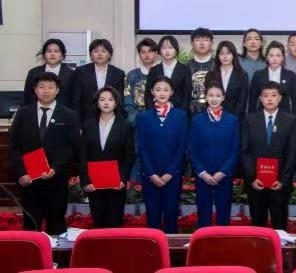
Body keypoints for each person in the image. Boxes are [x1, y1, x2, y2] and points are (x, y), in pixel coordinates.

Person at [10, 72, 80, 234]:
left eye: (50, 87)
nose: (46, 91)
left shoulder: (69, 115)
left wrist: (55, 167)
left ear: (57, 90)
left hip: (56, 181)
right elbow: (14, 147)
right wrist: (21, 173)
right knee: (30, 228)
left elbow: (73, 147)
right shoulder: (22, 114)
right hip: (29, 182)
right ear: (35, 90)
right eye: (41, 87)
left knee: (56, 227)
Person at [240, 81, 296, 230]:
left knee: (280, 226)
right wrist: (252, 177)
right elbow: (245, 150)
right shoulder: (250, 119)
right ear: (260, 99)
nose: (270, 99)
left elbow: (292, 152)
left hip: (279, 183)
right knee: (257, 225)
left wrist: (283, 179)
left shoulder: (290, 120)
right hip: (256, 183)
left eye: (274, 95)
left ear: (280, 98)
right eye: (266, 96)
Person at [137, 76, 189, 233]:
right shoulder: (143, 117)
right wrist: (152, 174)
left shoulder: (181, 116)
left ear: (171, 92)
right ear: (152, 92)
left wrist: (171, 172)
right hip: (150, 175)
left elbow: (182, 146)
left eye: (166, 90)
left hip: (172, 175)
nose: (162, 93)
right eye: (158, 89)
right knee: (152, 216)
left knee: (171, 215)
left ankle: (170, 247)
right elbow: (141, 147)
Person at [80, 86, 134, 228]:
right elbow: (83, 155)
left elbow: (128, 156)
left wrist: (123, 179)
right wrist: (85, 181)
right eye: (102, 99)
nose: (106, 102)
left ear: (116, 103)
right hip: (94, 184)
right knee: (98, 224)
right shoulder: (88, 125)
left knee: (114, 223)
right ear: (97, 103)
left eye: (110, 99)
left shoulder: (125, 126)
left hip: (116, 184)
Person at [188, 82, 239, 227]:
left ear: (223, 97)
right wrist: (202, 172)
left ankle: (223, 239)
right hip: (203, 175)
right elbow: (192, 149)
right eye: (210, 95)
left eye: (218, 95)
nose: (214, 99)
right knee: (204, 214)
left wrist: (223, 171)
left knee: (224, 213)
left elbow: (235, 149)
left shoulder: (232, 120)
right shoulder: (197, 120)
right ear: (205, 97)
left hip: (224, 174)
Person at [69, 39, 126, 122]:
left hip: (110, 118)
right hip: (86, 118)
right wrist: (77, 124)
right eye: (96, 51)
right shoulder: (80, 71)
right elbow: (75, 101)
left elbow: (119, 100)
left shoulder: (118, 73)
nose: (99, 54)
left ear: (109, 55)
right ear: (91, 55)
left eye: (103, 51)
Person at [248, 41, 296, 116]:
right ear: (267, 57)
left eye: (278, 55)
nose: (274, 59)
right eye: (271, 55)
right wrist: (251, 119)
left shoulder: (290, 75)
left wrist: (295, 119)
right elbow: (252, 101)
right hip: (262, 116)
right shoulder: (258, 75)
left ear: (283, 57)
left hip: (285, 116)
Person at [145, 36, 192, 112]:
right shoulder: (154, 70)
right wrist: (151, 113)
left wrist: (181, 114)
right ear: (160, 51)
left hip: (178, 111)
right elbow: (148, 94)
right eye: (164, 48)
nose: (167, 51)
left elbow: (187, 95)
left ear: (176, 50)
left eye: (170, 47)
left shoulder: (185, 69)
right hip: (156, 112)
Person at [205, 40, 249, 122]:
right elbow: (208, 98)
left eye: (228, 53)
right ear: (218, 56)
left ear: (233, 55)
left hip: (235, 118)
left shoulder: (242, 75)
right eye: (221, 53)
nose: (225, 56)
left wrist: (233, 119)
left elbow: (242, 101)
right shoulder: (210, 75)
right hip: (213, 118)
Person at [23, 38, 74, 106]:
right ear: (44, 54)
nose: (52, 54)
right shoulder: (33, 73)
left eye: (56, 51)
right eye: (49, 51)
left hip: (64, 111)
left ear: (62, 55)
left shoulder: (71, 74)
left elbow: (74, 99)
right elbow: (27, 97)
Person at [123, 38, 158, 124]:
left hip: (159, 117)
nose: (147, 54)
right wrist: (136, 116)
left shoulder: (163, 74)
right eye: (143, 52)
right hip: (136, 119)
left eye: (150, 51)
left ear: (156, 53)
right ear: (139, 54)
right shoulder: (131, 75)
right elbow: (127, 100)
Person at [188, 27, 215, 115]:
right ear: (192, 43)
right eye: (198, 40)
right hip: (191, 113)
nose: (202, 43)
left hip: (215, 112)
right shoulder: (185, 67)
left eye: (206, 40)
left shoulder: (218, 65)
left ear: (211, 43)